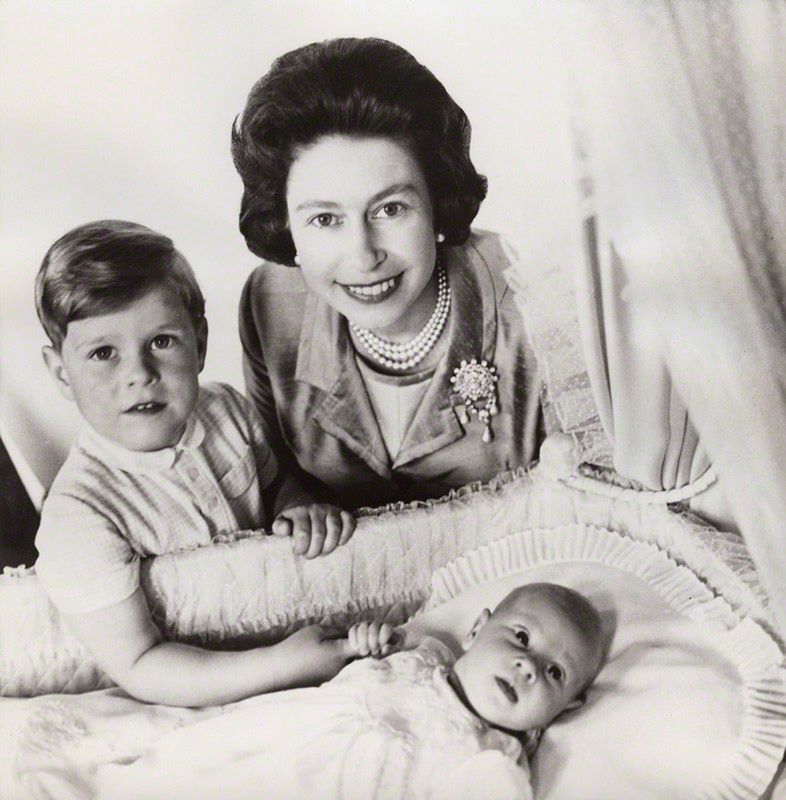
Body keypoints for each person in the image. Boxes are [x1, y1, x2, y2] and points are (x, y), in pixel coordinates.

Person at [33, 220, 357, 706]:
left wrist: (299, 504)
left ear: (199, 343)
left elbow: (275, 488)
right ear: (61, 373)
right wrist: (284, 663)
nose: (139, 375)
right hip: (191, 698)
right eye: (104, 353)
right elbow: (141, 666)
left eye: (162, 342)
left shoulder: (226, 409)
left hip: (290, 637)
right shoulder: (78, 517)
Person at [233, 37, 543, 509]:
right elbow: (276, 480)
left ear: (437, 203)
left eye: (390, 209)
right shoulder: (269, 305)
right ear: (287, 225)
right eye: (324, 219)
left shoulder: (530, 292)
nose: (362, 255)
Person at [98, 582, 605, 800]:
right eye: (521, 638)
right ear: (476, 629)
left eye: (555, 674)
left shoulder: (494, 760)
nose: (528, 667)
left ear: (565, 709)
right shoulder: (426, 652)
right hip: (280, 745)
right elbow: (360, 656)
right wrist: (366, 643)